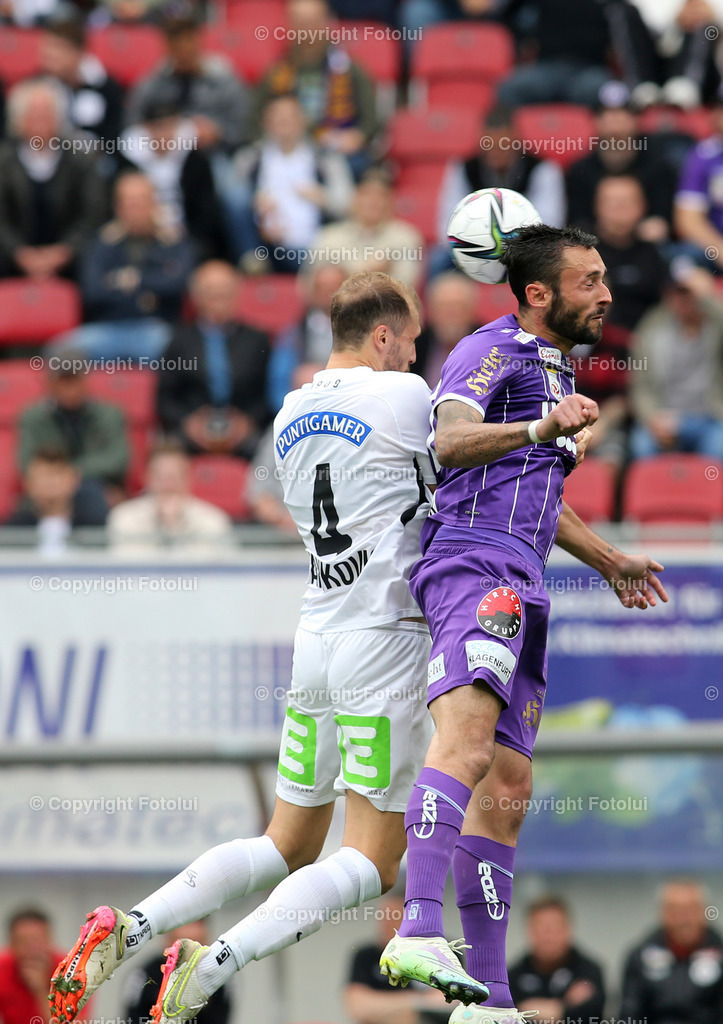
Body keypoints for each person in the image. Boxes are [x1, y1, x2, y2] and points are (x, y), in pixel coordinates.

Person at [49, 270, 438, 1024]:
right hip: (382, 640)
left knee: (286, 841)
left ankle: (131, 924)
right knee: (375, 858)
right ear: (384, 336)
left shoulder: (290, 410)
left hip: (316, 634)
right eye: (413, 341)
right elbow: (449, 461)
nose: (417, 354)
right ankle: (215, 960)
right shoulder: (406, 395)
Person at [376, 224, 669, 1020]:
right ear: (538, 293)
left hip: (524, 574)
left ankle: (490, 999)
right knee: (466, 748)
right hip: (474, 563)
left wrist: (609, 559)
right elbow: (450, 440)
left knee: (508, 785)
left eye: (604, 277)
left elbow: (537, 485)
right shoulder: (492, 348)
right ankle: (416, 927)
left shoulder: (554, 368)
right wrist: (542, 428)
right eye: (588, 280)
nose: (605, 292)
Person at [51, 172, 196, 362]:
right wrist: (149, 286)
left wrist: (125, 280)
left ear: (155, 204)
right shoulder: (102, 242)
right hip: (107, 328)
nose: (135, 209)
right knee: (61, 353)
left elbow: (178, 284)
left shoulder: (173, 242)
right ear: (118, 207)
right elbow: (92, 291)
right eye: (128, 203)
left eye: (141, 202)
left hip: (156, 326)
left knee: (183, 352)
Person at [226, 93, 354, 274]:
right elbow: (232, 202)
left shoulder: (326, 159)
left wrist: (323, 198)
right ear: (265, 123)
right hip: (264, 244)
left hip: (313, 245)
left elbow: (348, 204)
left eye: (290, 117)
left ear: (304, 121)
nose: (283, 123)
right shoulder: (249, 158)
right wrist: (256, 209)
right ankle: (251, 260)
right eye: (277, 118)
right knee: (235, 195)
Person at [156, 260, 271, 461]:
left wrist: (247, 422)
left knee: (269, 452)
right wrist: (188, 423)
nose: (219, 298)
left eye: (225, 292)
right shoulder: (179, 340)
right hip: (192, 426)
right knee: (168, 455)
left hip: (244, 427)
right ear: (195, 297)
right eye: (210, 292)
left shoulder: (256, 339)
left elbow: (267, 393)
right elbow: (165, 397)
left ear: (237, 294)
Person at [252, 0, 380, 179]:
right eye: (300, 22)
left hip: (335, 150)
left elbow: (371, 123)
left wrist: (358, 137)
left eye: (312, 22)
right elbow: (254, 123)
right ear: (288, 25)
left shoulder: (348, 69)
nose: (306, 30)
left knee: (358, 165)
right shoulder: (275, 73)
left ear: (327, 23)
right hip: (286, 152)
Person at [0, 78, 106, 278]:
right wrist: (20, 254)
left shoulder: (81, 158)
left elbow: (93, 213)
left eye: (46, 114)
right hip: (11, 259)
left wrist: (63, 252)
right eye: (34, 114)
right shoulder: (4, 161)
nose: (41, 121)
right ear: (18, 119)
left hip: (71, 260)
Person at [629, 265, 723, 461]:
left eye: (688, 293)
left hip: (712, 416)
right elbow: (640, 385)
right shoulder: (651, 329)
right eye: (677, 293)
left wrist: (708, 296)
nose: (683, 300)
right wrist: (652, 418)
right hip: (664, 415)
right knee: (641, 445)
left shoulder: (715, 325)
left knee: (717, 448)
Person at [126, 7, 248, 154]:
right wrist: (156, 132)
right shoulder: (155, 82)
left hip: (214, 153)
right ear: (167, 47)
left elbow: (243, 127)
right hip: (166, 155)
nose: (183, 50)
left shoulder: (223, 79)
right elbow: (132, 122)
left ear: (198, 41)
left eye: (187, 41)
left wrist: (217, 132)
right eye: (176, 43)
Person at [118, 98, 227, 260]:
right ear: (146, 129)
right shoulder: (129, 161)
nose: (165, 134)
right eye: (158, 128)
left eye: (170, 126)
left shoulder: (194, 159)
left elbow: (206, 211)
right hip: (142, 235)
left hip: (188, 236)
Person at [18, 356, 129, 499]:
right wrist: (61, 476)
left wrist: (70, 470)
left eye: (74, 380)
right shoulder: (33, 416)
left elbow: (118, 459)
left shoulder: (109, 414)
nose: (69, 389)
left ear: (85, 381)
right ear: (50, 384)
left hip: (99, 486)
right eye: (63, 381)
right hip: (47, 491)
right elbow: (26, 462)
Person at [620, 879, 723, 1024]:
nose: (684, 919)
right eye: (675, 910)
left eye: (691, 909)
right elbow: (630, 1013)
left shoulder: (720, 955)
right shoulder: (639, 957)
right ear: (663, 913)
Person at [108, 439, 233, 553]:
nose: (168, 485)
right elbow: (128, 566)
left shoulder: (213, 520)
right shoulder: (124, 517)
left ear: (188, 480)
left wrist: (174, 524)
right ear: (147, 478)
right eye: (161, 477)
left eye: (174, 477)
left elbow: (210, 569)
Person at [311, 169, 424, 288]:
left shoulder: (406, 237)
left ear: (391, 200)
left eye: (382, 195)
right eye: (366, 194)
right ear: (354, 198)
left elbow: (407, 285)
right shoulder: (329, 237)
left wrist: (349, 275)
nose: (373, 201)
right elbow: (310, 286)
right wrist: (368, 272)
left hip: (385, 305)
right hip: (336, 305)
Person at [345, 895, 449, 1024]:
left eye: (395, 917)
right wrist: (412, 1004)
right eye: (383, 917)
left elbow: (448, 1001)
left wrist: (385, 1007)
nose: (385, 924)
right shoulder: (366, 956)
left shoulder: (442, 951)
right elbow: (358, 1007)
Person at [508, 896, 606, 1024]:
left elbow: (590, 1015)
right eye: (541, 927)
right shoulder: (511, 976)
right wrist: (565, 1005)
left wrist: (529, 1008)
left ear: (568, 928)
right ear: (529, 930)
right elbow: (506, 1016)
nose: (548, 935)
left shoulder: (589, 971)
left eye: (555, 927)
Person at [268, 262, 348, 412]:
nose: (330, 294)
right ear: (312, 291)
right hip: (303, 413)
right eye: (323, 287)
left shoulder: (364, 333)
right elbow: (278, 386)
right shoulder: (293, 334)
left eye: (336, 287)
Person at [39, 11, 124, 149]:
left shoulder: (107, 88)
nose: (50, 55)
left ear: (79, 51)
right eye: (47, 48)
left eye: (58, 48)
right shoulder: (38, 88)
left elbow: (114, 137)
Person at [122, 920, 232, 1024]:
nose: (189, 959)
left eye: (197, 947)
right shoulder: (144, 975)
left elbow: (219, 1018)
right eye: (183, 949)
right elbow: (133, 1017)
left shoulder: (221, 978)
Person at [6, 448, 108, 554]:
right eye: (43, 476)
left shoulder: (96, 528)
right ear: (28, 484)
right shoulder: (14, 531)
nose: (50, 482)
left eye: (56, 474)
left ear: (74, 479)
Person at [674, 85, 723, 272]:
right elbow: (687, 218)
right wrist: (718, 248)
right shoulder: (703, 155)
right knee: (682, 259)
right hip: (715, 248)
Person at [0, 908, 68, 1024]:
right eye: (23, 941)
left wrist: (41, 991)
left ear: (49, 939)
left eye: (37, 940)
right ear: (11, 943)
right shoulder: (3, 967)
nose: (31, 949)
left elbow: (71, 1022)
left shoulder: (70, 970)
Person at [413, 271, 479, 388]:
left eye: (458, 307)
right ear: (431, 311)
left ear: (471, 310)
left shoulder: (488, 344)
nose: (451, 315)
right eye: (444, 307)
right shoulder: (415, 346)